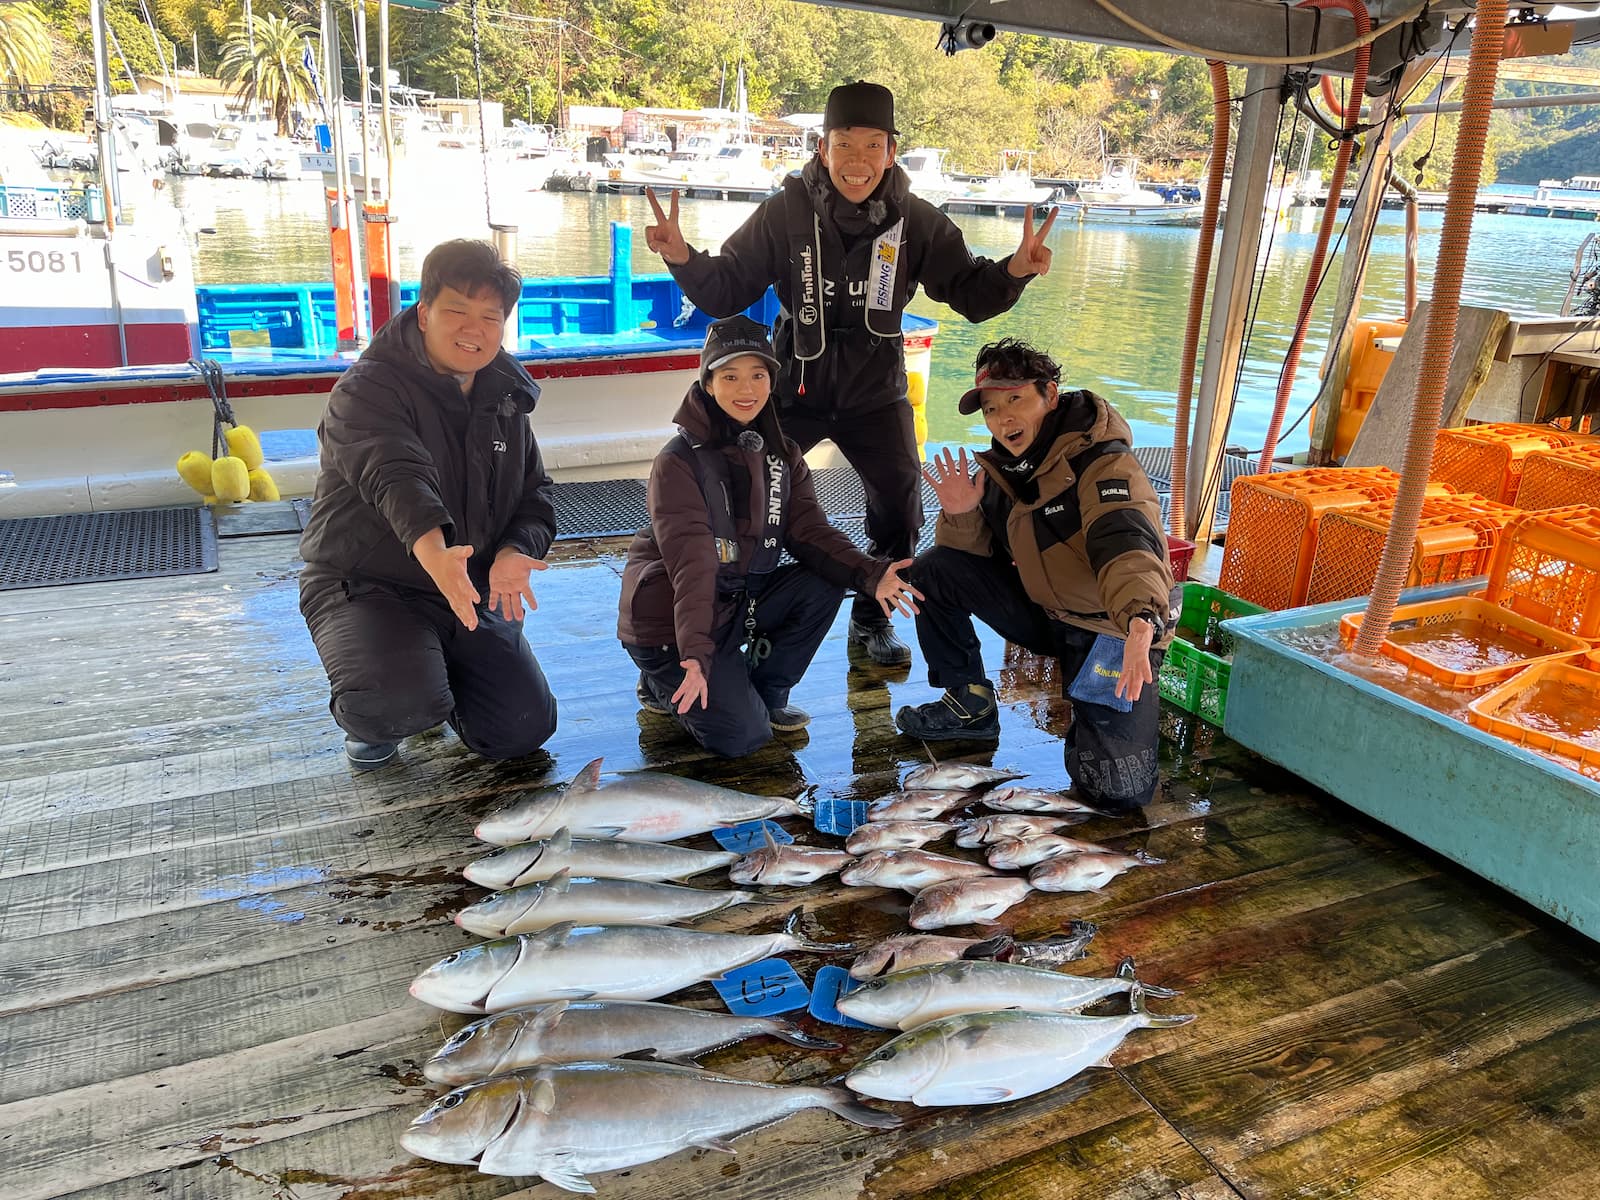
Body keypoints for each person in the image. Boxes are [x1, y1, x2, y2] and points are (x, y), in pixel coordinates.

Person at [642, 80, 1054, 668]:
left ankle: (873, 620)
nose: (856, 162)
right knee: (733, 481)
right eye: (843, 145)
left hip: (874, 390)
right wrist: (682, 256)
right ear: (821, 148)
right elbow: (728, 286)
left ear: (891, 151)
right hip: (794, 388)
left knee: (899, 500)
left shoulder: (916, 221)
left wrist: (1015, 269)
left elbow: (969, 292)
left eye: (871, 146)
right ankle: (719, 606)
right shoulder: (784, 211)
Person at [299, 239, 558, 770]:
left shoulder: (505, 396)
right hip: (370, 583)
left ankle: (437, 678)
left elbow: (536, 493)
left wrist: (515, 549)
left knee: (524, 729)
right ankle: (374, 720)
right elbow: (395, 474)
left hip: (467, 587)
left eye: (490, 316)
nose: (474, 329)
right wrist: (434, 550)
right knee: (398, 704)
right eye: (457, 311)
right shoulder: (367, 389)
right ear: (423, 313)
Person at [618, 315, 923, 759]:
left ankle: (764, 692)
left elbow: (809, 531)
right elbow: (693, 566)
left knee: (826, 578)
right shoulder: (677, 462)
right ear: (707, 382)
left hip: (734, 602)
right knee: (743, 739)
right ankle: (665, 679)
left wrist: (871, 574)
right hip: (670, 624)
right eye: (730, 375)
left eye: (758, 374)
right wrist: (696, 654)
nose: (747, 388)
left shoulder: (782, 452)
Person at [895, 338, 1178, 813]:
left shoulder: (1103, 461)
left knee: (1118, 792)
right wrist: (962, 514)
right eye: (989, 408)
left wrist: (1140, 618)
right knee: (931, 569)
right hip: (1044, 613)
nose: (1003, 419)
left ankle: (1099, 718)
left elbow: (1125, 541)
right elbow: (972, 562)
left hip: (1109, 626)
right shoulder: (1005, 469)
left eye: (1015, 399)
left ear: (1049, 393)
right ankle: (971, 703)